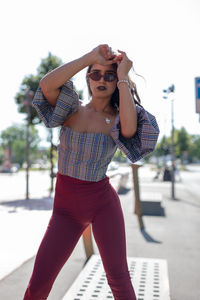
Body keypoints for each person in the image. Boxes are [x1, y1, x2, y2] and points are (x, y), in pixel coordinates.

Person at [23, 44, 160, 300]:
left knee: (118, 279)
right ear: (87, 78)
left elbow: (130, 131)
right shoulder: (71, 109)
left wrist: (122, 77)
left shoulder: (119, 118)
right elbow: (47, 85)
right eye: (95, 73)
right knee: (39, 283)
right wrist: (88, 57)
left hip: (103, 206)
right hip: (64, 213)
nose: (101, 80)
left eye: (109, 76)